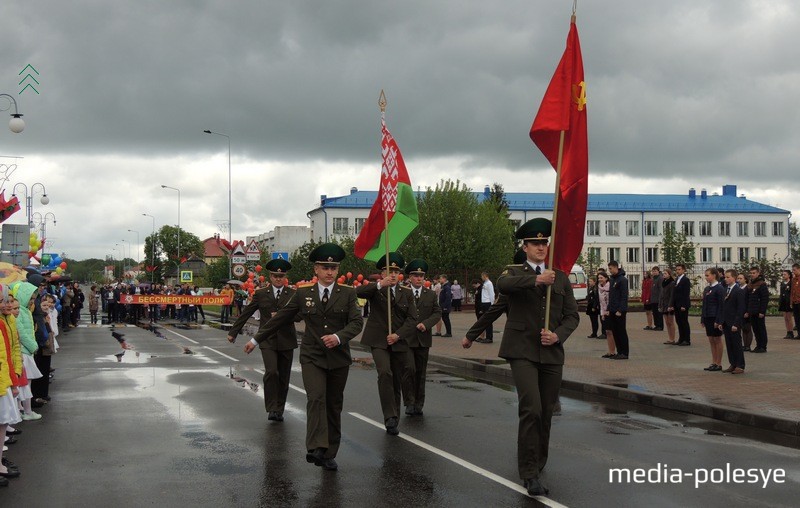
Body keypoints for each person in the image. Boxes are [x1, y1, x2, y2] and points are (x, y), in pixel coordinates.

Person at [463, 217, 578, 497]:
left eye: (544, 243)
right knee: (532, 408)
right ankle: (529, 473)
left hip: (551, 351)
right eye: (535, 243)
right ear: (525, 246)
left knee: (547, 411)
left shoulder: (560, 276)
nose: (541, 247)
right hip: (521, 351)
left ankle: (538, 463)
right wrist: (471, 334)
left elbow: (572, 316)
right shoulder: (513, 272)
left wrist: (558, 335)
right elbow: (503, 288)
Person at [244, 243, 363, 472]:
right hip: (312, 356)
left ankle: (329, 453)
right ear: (316, 269)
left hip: (338, 358)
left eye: (334, 267)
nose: (330, 271)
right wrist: (256, 340)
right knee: (316, 397)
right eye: (325, 267)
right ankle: (316, 446)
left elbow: (357, 323)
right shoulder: (303, 293)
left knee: (333, 405)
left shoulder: (347, 293)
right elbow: (280, 319)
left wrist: (339, 337)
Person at [228, 258, 297, 422]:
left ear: (285, 276)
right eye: (275, 276)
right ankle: (272, 407)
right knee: (272, 372)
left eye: (281, 276)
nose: (278, 279)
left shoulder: (293, 294)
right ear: (270, 277)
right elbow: (246, 313)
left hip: (287, 339)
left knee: (284, 377)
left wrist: (284, 317)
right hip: (267, 339)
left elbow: (301, 314)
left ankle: (279, 409)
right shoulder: (260, 294)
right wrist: (234, 332)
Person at [356, 252, 418, 435]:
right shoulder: (375, 289)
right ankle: (389, 416)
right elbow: (356, 293)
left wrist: (398, 335)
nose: (392, 274)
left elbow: (412, 319)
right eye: (389, 271)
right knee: (385, 372)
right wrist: (379, 285)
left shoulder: (406, 293)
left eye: (396, 271)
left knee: (397, 378)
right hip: (378, 340)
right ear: (382, 273)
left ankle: (394, 418)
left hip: (398, 341)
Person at [401, 259, 441, 417]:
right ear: (410, 277)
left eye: (421, 275)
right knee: (408, 369)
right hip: (407, 339)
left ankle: (419, 403)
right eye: (416, 275)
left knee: (421, 372)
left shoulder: (430, 294)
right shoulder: (402, 292)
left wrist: (426, 324)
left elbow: (437, 313)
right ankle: (409, 402)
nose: (419, 278)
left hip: (423, 339)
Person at [717, 269, 746, 374]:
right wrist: (721, 321)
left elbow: (740, 309)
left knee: (736, 344)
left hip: (734, 323)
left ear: (734, 278)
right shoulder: (725, 290)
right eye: (725, 277)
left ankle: (740, 365)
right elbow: (723, 307)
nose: (726, 279)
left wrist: (736, 324)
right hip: (726, 322)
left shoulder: (739, 291)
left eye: (728, 277)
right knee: (729, 344)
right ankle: (732, 363)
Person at [700, 268, 725, 371]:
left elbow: (721, 306)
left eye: (707, 275)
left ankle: (719, 363)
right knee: (711, 340)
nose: (706, 277)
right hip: (708, 317)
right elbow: (704, 304)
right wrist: (703, 318)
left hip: (715, 317)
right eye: (705, 275)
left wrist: (718, 320)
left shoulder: (719, 288)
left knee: (717, 339)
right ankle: (713, 362)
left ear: (714, 275)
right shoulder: (707, 289)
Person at [606, 261, 629, 360]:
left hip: (619, 310)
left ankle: (624, 352)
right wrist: (608, 308)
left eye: (611, 268)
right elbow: (611, 295)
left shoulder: (622, 280)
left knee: (621, 331)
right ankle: (619, 352)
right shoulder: (612, 279)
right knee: (615, 331)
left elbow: (624, 296)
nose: (610, 271)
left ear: (616, 267)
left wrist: (620, 309)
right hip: (612, 309)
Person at [745, 266, 770, 353]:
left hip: (759, 311)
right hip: (752, 311)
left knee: (761, 329)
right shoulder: (750, 284)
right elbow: (748, 299)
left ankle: (763, 346)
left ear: (758, 273)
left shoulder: (761, 284)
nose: (752, 275)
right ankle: (758, 345)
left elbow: (764, 298)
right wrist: (748, 311)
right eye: (751, 273)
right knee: (755, 329)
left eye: (754, 273)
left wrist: (762, 311)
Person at [673, 264, 692, 346]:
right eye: (676, 269)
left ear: (683, 270)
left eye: (679, 269)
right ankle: (681, 338)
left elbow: (686, 293)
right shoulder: (677, 279)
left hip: (683, 305)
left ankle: (687, 340)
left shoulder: (685, 280)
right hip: (677, 304)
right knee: (679, 322)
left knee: (684, 322)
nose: (677, 271)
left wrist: (684, 305)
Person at [597, 272, 614, 357]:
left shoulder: (610, 287)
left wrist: (609, 310)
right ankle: (610, 351)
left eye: (601, 278)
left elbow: (610, 300)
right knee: (607, 331)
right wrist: (602, 314)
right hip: (604, 312)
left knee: (611, 331)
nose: (600, 279)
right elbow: (601, 302)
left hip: (611, 312)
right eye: (599, 278)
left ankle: (613, 351)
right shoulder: (600, 288)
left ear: (606, 278)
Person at [737, 273, 754, 351]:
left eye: (741, 278)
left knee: (747, 329)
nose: (739, 280)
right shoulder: (738, 288)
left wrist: (747, 311)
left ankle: (748, 345)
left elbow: (750, 301)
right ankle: (745, 345)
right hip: (739, 311)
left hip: (746, 311)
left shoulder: (748, 288)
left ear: (745, 279)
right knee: (743, 329)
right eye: (738, 278)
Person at [660, 268, 677, 345]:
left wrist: (670, 305)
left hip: (669, 305)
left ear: (669, 274)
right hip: (664, 304)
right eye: (663, 273)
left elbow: (672, 295)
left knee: (671, 322)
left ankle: (673, 339)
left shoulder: (672, 283)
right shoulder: (663, 282)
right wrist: (660, 304)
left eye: (665, 273)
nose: (664, 274)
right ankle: (670, 338)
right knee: (667, 322)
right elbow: (661, 295)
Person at [478, 272, 495, 342]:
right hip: (484, 303)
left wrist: (492, 304)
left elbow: (492, 294)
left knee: (488, 321)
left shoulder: (489, 283)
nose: (481, 278)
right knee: (485, 320)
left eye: (482, 276)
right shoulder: (485, 283)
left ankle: (489, 338)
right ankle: (487, 337)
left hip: (488, 303)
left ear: (485, 276)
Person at [779, 270, 794, 340]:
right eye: (783, 274)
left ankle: (791, 332)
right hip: (783, 302)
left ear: (789, 275)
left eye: (785, 274)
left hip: (789, 302)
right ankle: (788, 331)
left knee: (789, 318)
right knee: (785, 318)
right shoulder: (782, 283)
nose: (783, 276)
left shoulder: (791, 283)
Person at [649, 266, 664, 331]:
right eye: (653, 271)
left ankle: (660, 326)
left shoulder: (660, 278)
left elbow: (661, 289)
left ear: (658, 271)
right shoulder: (653, 279)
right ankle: (656, 325)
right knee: (654, 313)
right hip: (653, 299)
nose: (654, 272)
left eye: (655, 271)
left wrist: (660, 298)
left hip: (658, 299)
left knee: (659, 313)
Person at [792, 263, 800, 340]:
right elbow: (792, 291)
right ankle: (799, 334)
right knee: (797, 318)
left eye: (794, 270)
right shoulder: (794, 279)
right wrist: (792, 301)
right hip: (795, 302)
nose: (793, 271)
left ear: (798, 269)